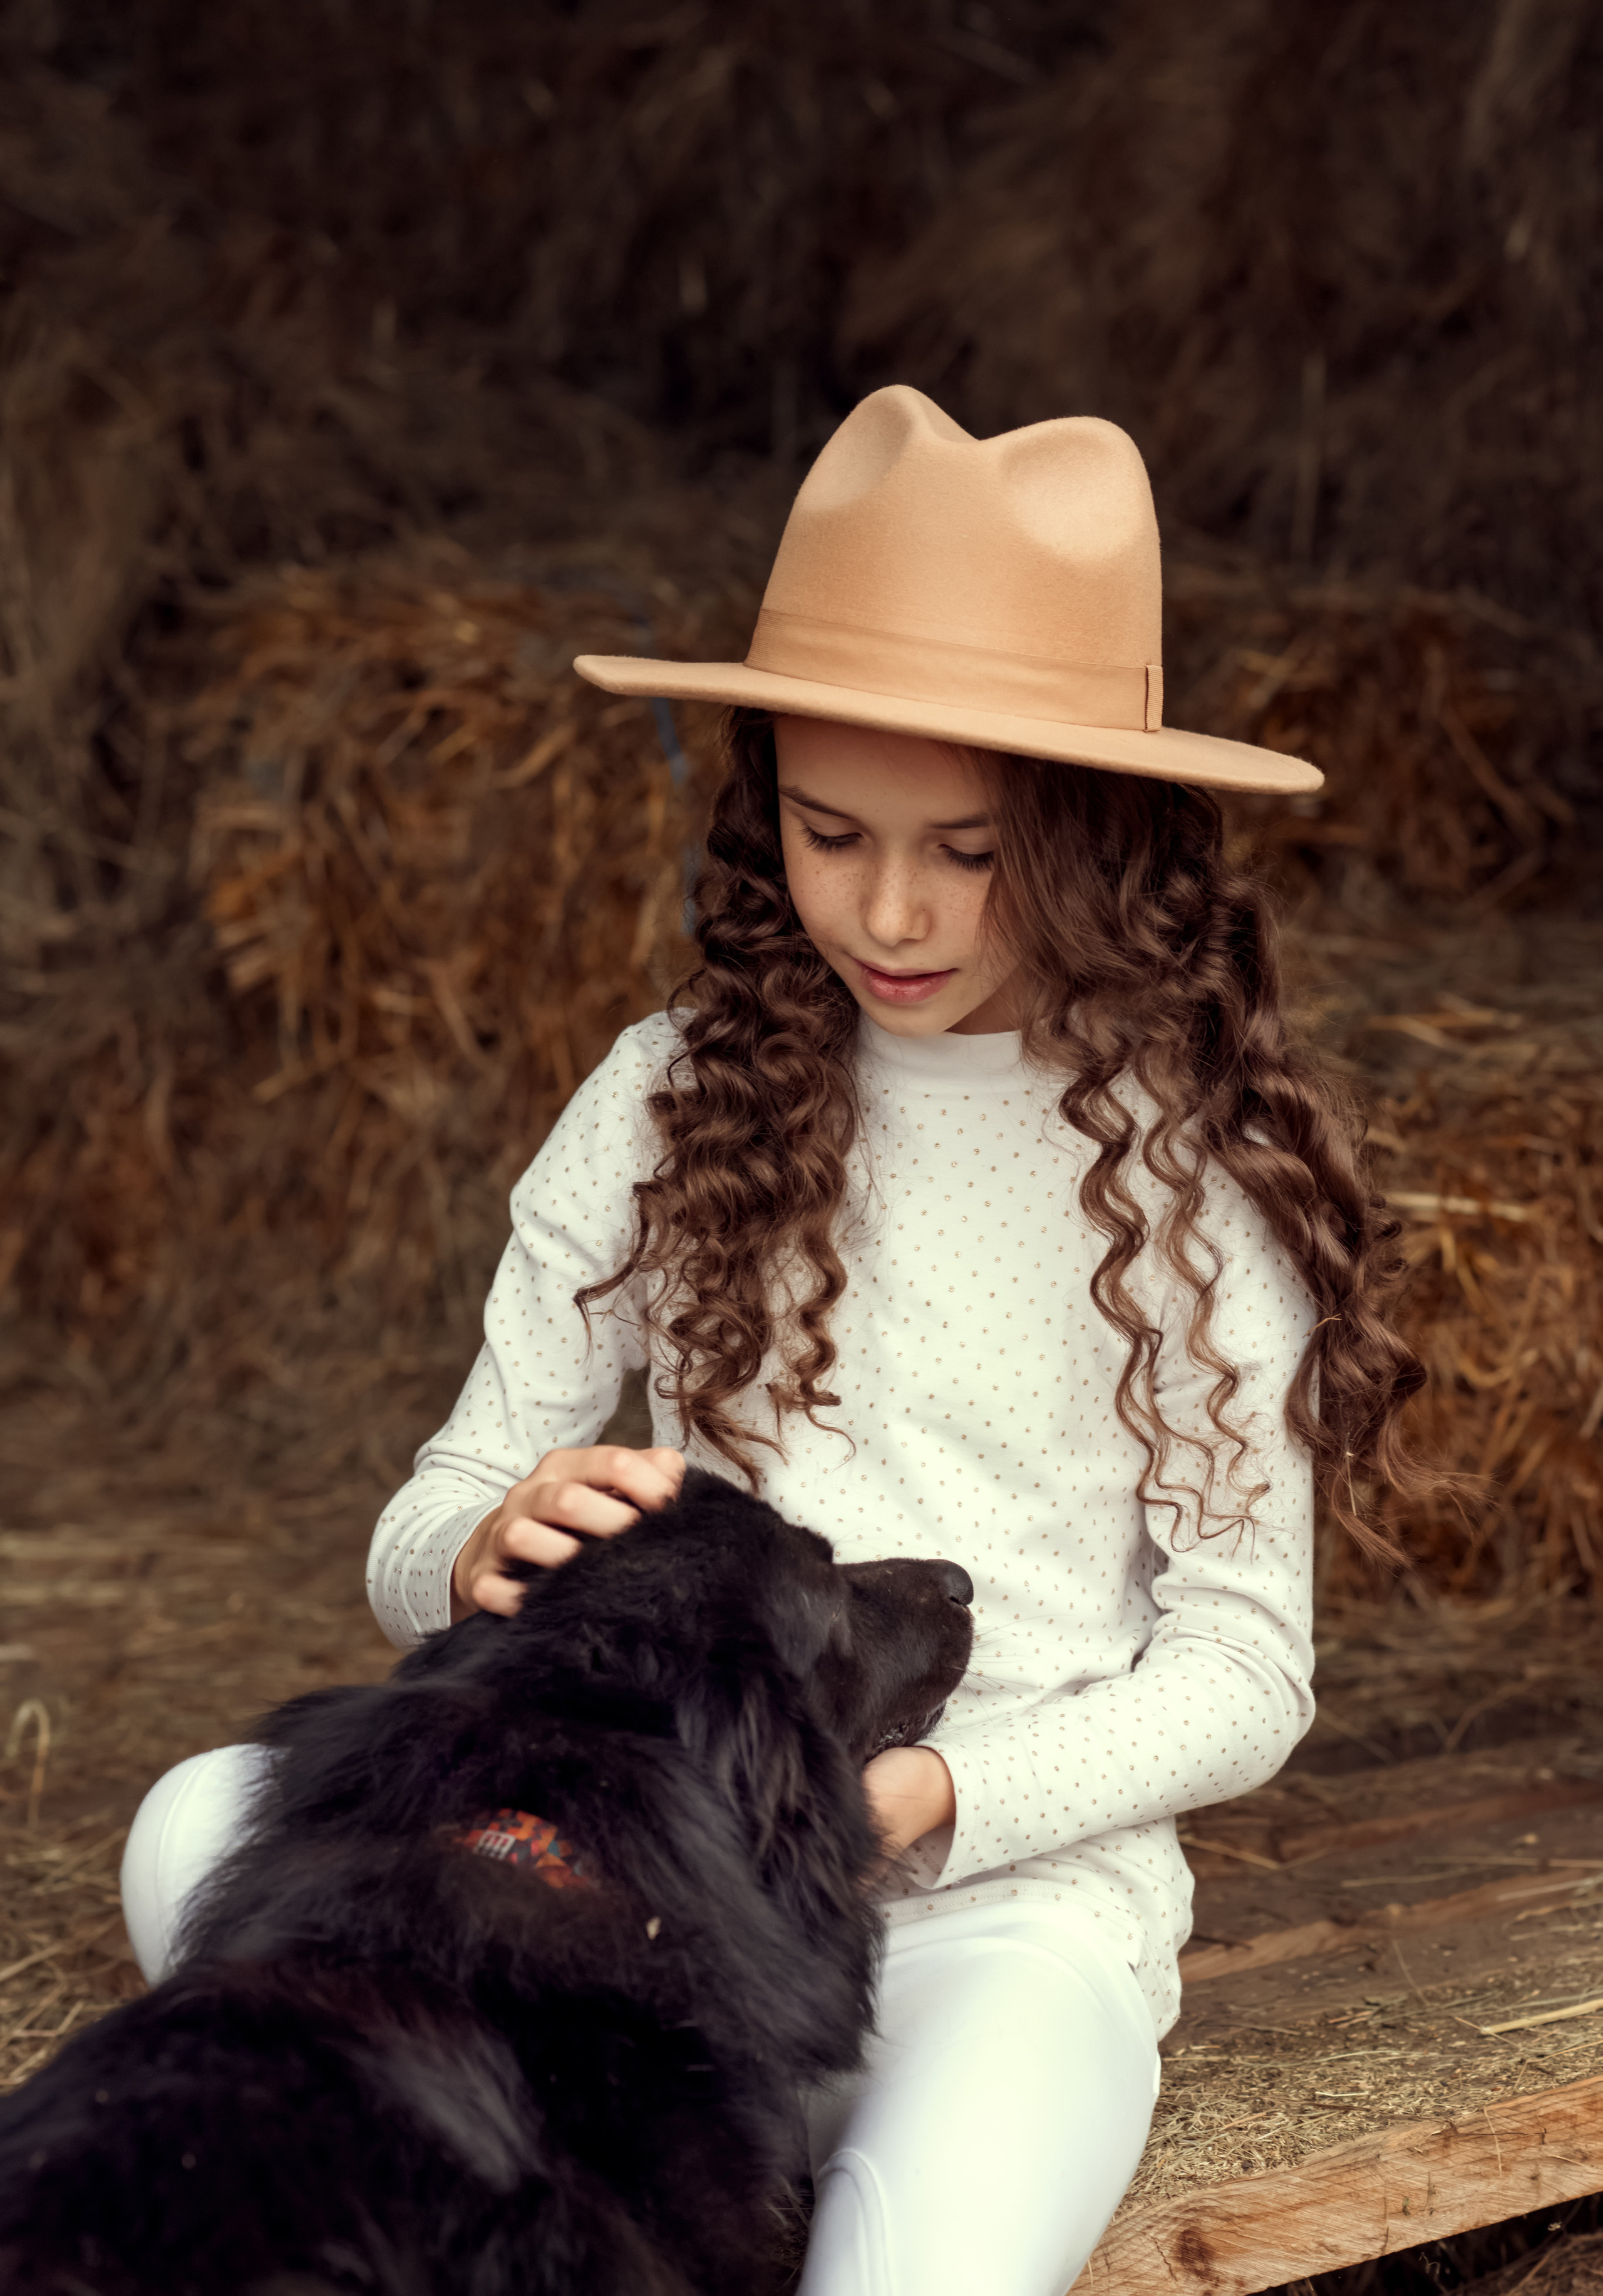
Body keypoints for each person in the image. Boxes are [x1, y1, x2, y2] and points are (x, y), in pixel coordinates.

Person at [121, 386, 1423, 2296]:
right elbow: (456, 1497)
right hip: (619, 1882)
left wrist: (920, 1805)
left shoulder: (1185, 1184)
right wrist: (474, 1550)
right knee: (188, 1834)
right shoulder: (664, 1101)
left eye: (969, 851)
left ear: (1100, 831)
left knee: (909, 2275)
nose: (888, 909)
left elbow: (1245, 1667)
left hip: (990, 1915)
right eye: (831, 831)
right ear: (764, 809)